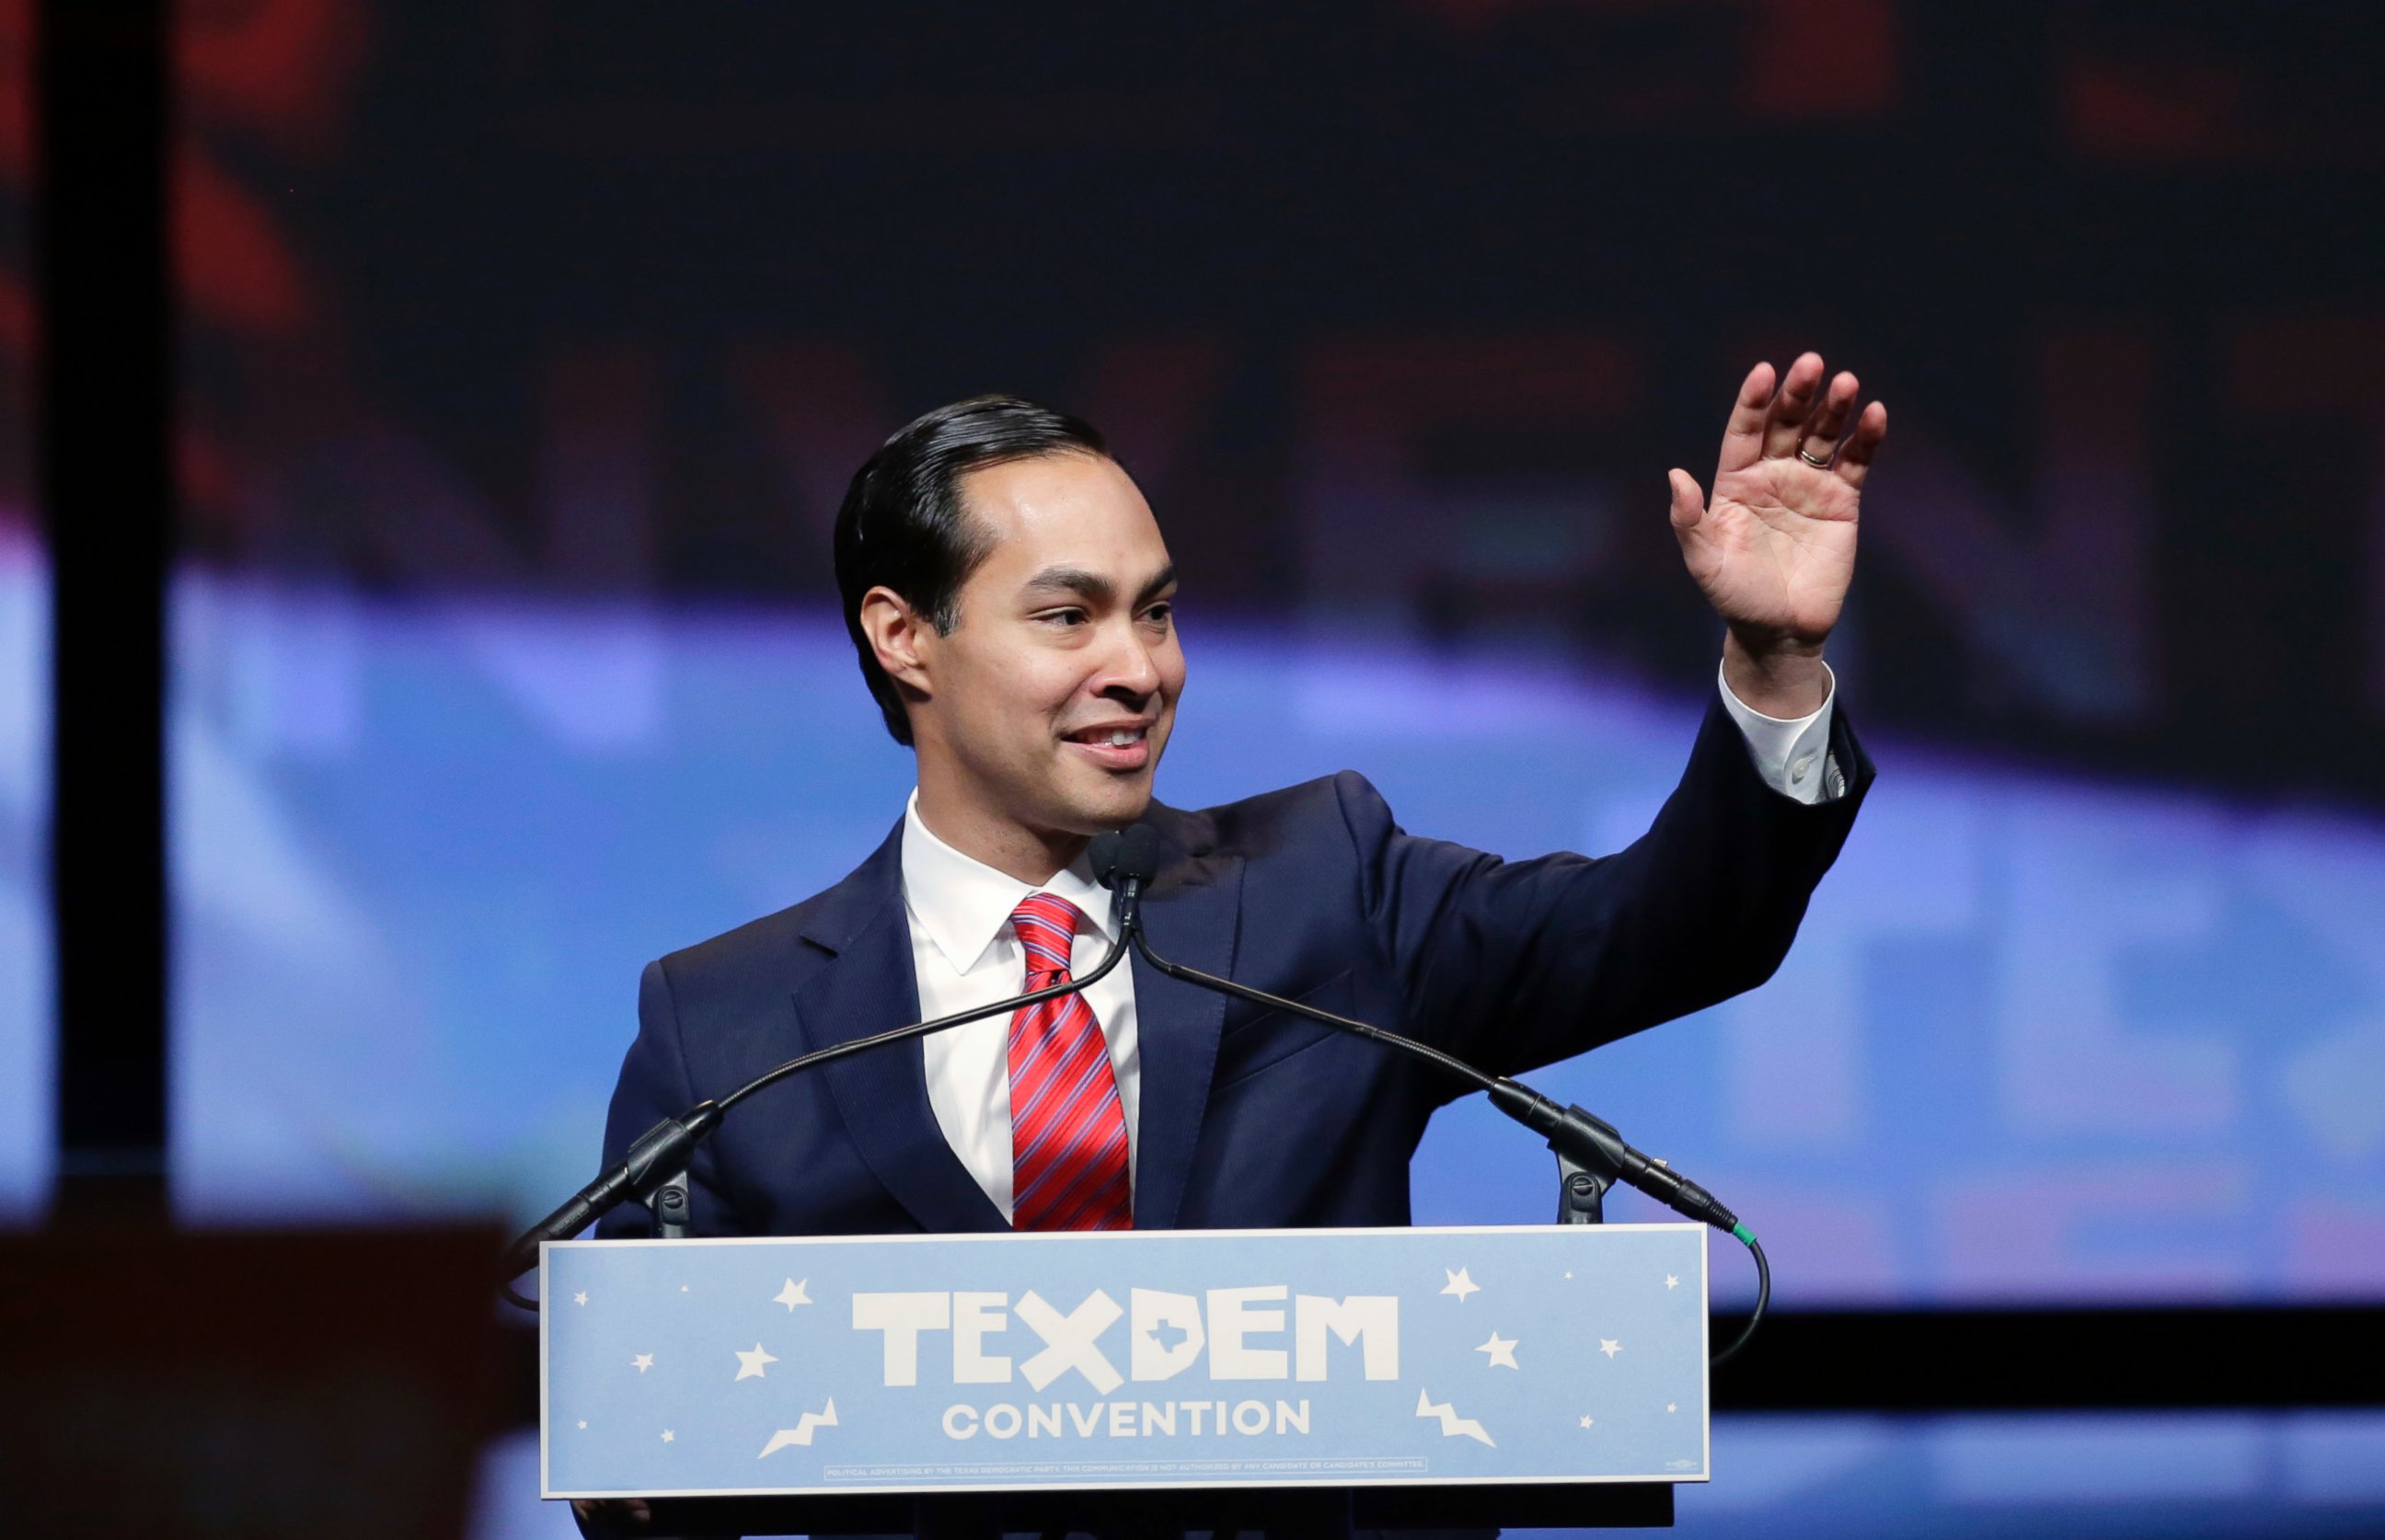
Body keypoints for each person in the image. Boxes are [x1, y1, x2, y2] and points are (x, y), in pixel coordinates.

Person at [581, 355, 1885, 1535]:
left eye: (1155, 611)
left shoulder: (1324, 885)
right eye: (1068, 616)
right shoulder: (731, 1022)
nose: (1140, 667)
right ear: (903, 635)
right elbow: (630, 1455)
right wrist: (625, 1456)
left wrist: (1772, 665)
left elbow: (1674, 928)